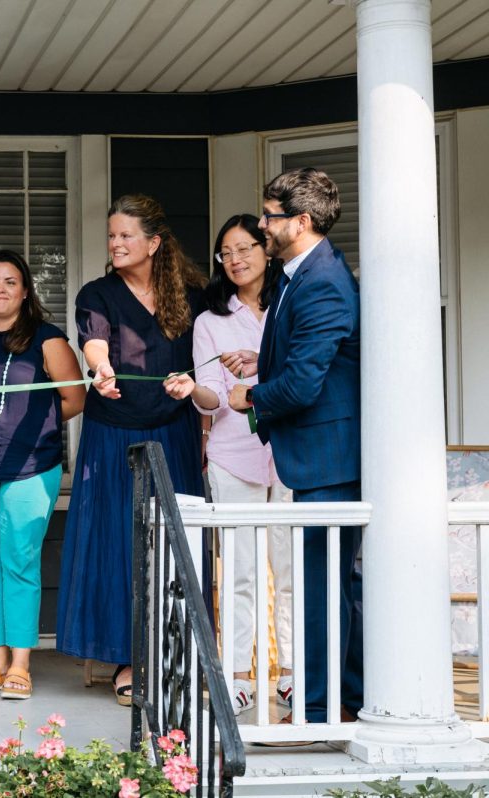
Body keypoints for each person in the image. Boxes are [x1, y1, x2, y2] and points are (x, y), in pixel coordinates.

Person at [56, 194, 207, 706]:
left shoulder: (191, 294)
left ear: (154, 243)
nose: (116, 243)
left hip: (174, 434)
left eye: (126, 235)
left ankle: (176, 653)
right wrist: (100, 368)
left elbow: (205, 356)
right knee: (120, 543)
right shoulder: (98, 293)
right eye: (112, 235)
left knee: (173, 544)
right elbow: (93, 343)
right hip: (113, 436)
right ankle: (128, 658)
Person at [225, 167, 362, 726]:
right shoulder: (295, 274)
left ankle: (319, 708)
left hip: (329, 457)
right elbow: (306, 360)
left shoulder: (324, 279)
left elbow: (305, 383)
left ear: (300, 221)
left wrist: (250, 398)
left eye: (270, 215)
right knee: (328, 584)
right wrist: (267, 363)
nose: (262, 225)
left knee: (321, 589)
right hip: (314, 455)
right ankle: (344, 698)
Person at [164, 214, 294, 715]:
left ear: (266, 251)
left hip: (287, 454)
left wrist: (258, 360)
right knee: (238, 572)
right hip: (233, 454)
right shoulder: (210, 322)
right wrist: (189, 387)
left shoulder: (289, 306)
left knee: (289, 570)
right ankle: (239, 675)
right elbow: (213, 399)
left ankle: (291, 676)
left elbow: (301, 370)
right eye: (226, 252)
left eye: (245, 248)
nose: (236, 260)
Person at [0, 250, 85, 700]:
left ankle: (21, 664)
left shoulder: (47, 340)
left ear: (25, 290)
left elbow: (73, 398)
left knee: (20, 562)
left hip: (31, 468)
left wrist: (37, 429)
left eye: (10, 282)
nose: (0, 290)